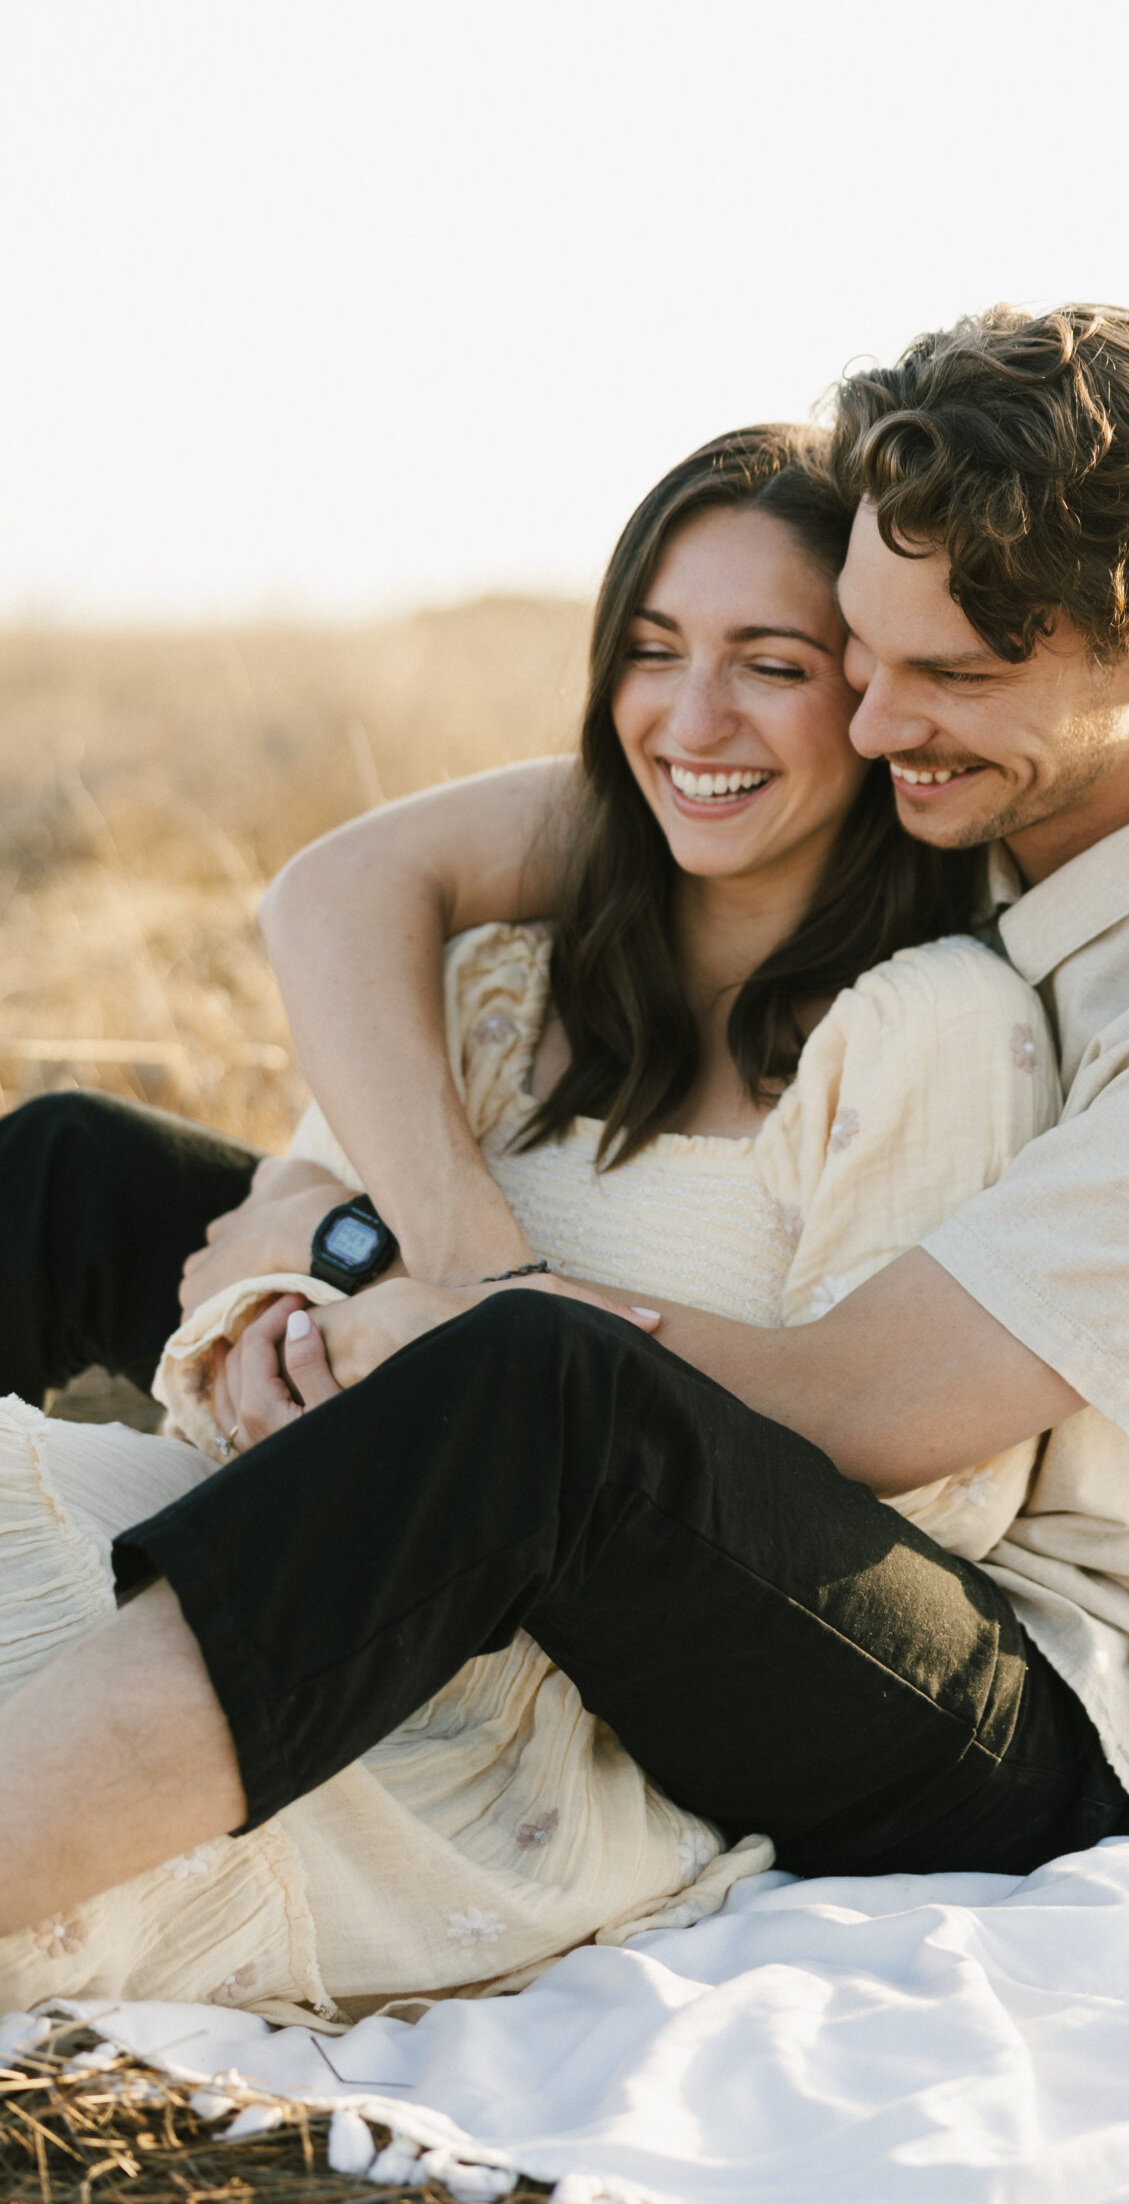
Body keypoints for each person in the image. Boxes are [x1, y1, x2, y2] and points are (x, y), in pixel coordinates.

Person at [0, 302, 1129, 1950]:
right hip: (791, 1511)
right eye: (855, 653)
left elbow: (869, 1406)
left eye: (948, 677)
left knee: (532, 1397)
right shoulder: (966, 767)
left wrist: (441, 1315)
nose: (877, 722)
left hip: (1039, 1717)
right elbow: (355, 887)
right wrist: (346, 1234)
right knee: (69, 1173)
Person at [0, 423, 1071, 2013]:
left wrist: (446, 1354)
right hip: (417, 1527)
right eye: (652, 648)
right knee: (68, 1157)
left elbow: (935, 1506)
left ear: (870, 698)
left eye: (769, 665)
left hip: (713, 1670)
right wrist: (281, 1345)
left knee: (523, 1372)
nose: (690, 717)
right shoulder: (520, 976)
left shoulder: (930, 1033)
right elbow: (302, 1227)